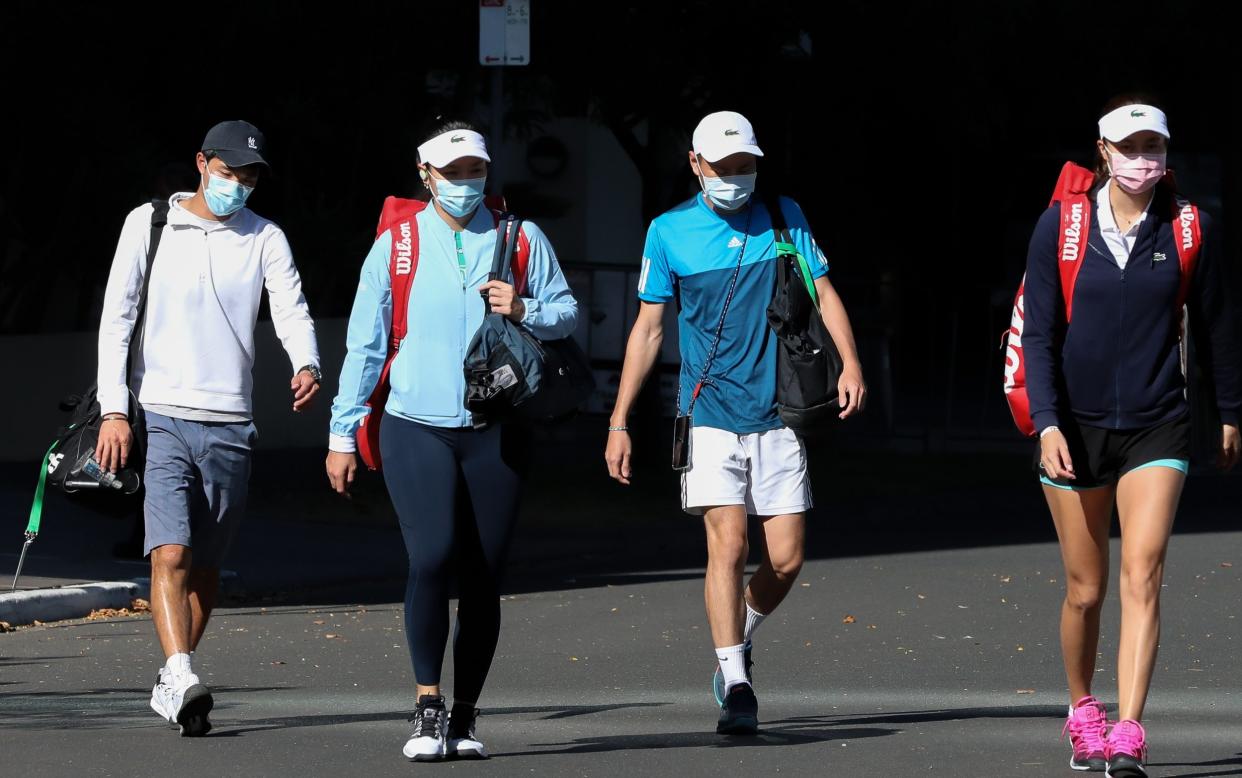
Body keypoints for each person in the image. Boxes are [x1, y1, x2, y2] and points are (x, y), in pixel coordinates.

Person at [604, 110, 866, 735]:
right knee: (729, 543)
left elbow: (824, 293)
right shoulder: (668, 232)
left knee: (789, 557)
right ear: (696, 165)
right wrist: (619, 420)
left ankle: (737, 632)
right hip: (709, 413)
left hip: (778, 413)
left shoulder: (784, 216)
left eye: (746, 165)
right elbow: (648, 328)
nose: (737, 177)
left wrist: (851, 365)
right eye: (723, 167)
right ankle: (737, 684)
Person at [325, 121, 579, 761]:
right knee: (432, 555)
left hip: (497, 428)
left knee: (484, 575)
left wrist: (523, 309)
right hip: (416, 425)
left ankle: (464, 717)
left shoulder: (521, 237)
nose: (467, 183)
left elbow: (567, 311)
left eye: (476, 171)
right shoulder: (397, 245)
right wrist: (342, 430)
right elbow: (365, 342)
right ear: (425, 174)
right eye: (454, 172)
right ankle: (427, 706)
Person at [1022, 96, 1241, 776]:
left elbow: (1219, 327)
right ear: (1104, 153)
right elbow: (1039, 332)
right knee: (1086, 590)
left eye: (1155, 148)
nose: (1145, 159)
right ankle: (1083, 707)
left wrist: (1230, 411)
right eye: (1131, 147)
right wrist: (1048, 420)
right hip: (1075, 429)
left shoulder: (1190, 229)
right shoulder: (1063, 224)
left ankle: (1129, 730)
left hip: (1158, 424)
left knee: (1143, 575)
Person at [96, 120, 322, 736]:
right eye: (229, 172)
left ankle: (174, 680)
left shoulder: (264, 238)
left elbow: (290, 306)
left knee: (204, 565)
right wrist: (116, 409)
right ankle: (179, 670)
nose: (238, 186)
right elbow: (116, 320)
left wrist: (307, 361)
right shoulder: (149, 225)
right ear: (202, 163)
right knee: (170, 550)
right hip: (162, 411)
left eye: (249, 177)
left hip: (230, 420)